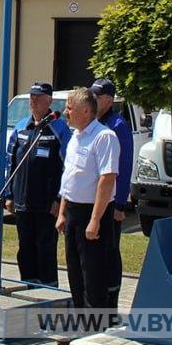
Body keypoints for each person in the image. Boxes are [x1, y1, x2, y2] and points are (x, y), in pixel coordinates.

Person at [56, 87, 119, 331]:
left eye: (69, 108)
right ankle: (79, 324)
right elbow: (70, 177)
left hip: (93, 213)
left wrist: (95, 220)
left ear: (84, 111)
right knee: (74, 271)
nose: (65, 112)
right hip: (72, 211)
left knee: (93, 274)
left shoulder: (104, 137)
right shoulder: (75, 136)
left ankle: (94, 330)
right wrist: (62, 212)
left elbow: (107, 178)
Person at [4, 82, 70, 287]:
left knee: (45, 249)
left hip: (47, 205)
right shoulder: (21, 127)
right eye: (32, 97)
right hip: (22, 202)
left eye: (39, 97)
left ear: (49, 100)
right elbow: (10, 162)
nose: (34, 101)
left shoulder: (59, 128)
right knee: (25, 249)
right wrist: (8, 195)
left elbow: (68, 168)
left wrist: (59, 200)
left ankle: (48, 293)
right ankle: (27, 288)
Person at [91, 77, 135, 304]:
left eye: (97, 97)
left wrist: (119, 204)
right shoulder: (91, 123)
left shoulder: (117, 125)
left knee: (109, 250)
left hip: (111, 201)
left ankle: (111, 299)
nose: (93, 100)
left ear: (109, 100)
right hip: (94, 198)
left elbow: (125, 165)